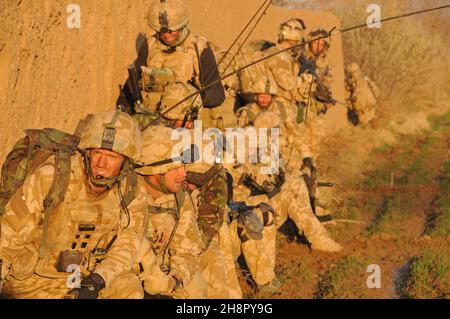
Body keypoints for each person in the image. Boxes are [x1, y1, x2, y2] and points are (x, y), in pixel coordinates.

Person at [0, 110, 149, 299]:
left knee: (128, 288)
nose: (102, 163)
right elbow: (8, 238)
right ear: (87, 153)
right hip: (33, 282)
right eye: (97, 153)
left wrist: (97, 280)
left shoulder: (131, 189)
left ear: (125, 162)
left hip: (84, 277)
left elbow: (128, 243)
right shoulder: (53, 177)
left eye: (112, 157)